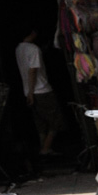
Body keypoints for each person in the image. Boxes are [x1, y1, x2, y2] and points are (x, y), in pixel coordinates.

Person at [16, 27, 61, 158]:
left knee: (40, 121)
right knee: (55, 120)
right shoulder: (33, 49)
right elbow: (33, 70)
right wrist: (31, 91)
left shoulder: (19, 48)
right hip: (41, 90)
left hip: (29, 90)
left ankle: (44, 146)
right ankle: (45, 149)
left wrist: (29, 92)